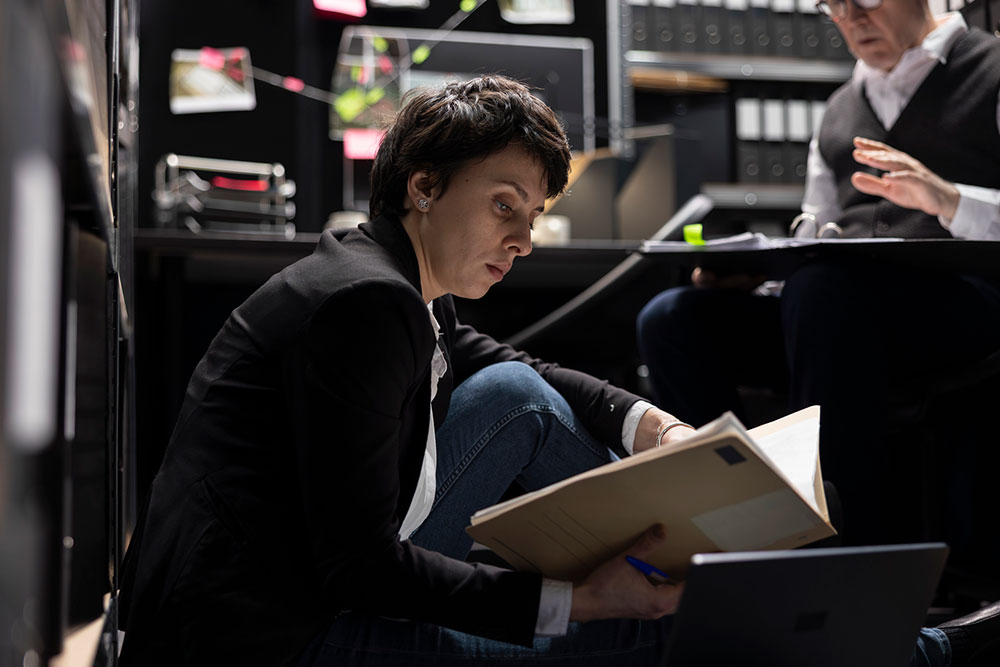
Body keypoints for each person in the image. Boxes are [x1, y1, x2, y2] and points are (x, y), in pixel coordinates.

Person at [118, 75, 996, 666]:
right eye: (505, 205)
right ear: (423, 185)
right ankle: (880, 643)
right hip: (274, 637)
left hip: (263, 599)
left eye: (531, 216)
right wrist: (574, 599)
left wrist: (652, 425)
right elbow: (361, 572)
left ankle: (796, 603)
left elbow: (505, 365)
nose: (521, 240)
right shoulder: (365, 306)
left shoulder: (381, 274)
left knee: (516, 396)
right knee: (629, 630)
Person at [637, 0, 1000, 548]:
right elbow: (817, 231)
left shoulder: (992, 71)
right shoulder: (839, 107)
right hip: (838, 312)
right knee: (674, 317)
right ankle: (726, 524)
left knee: (825, 293)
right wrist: (760, 278)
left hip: (967, 306)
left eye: (865, 2)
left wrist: (948, 200)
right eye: (834, 6)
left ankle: (836, 546)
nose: (850, 17)